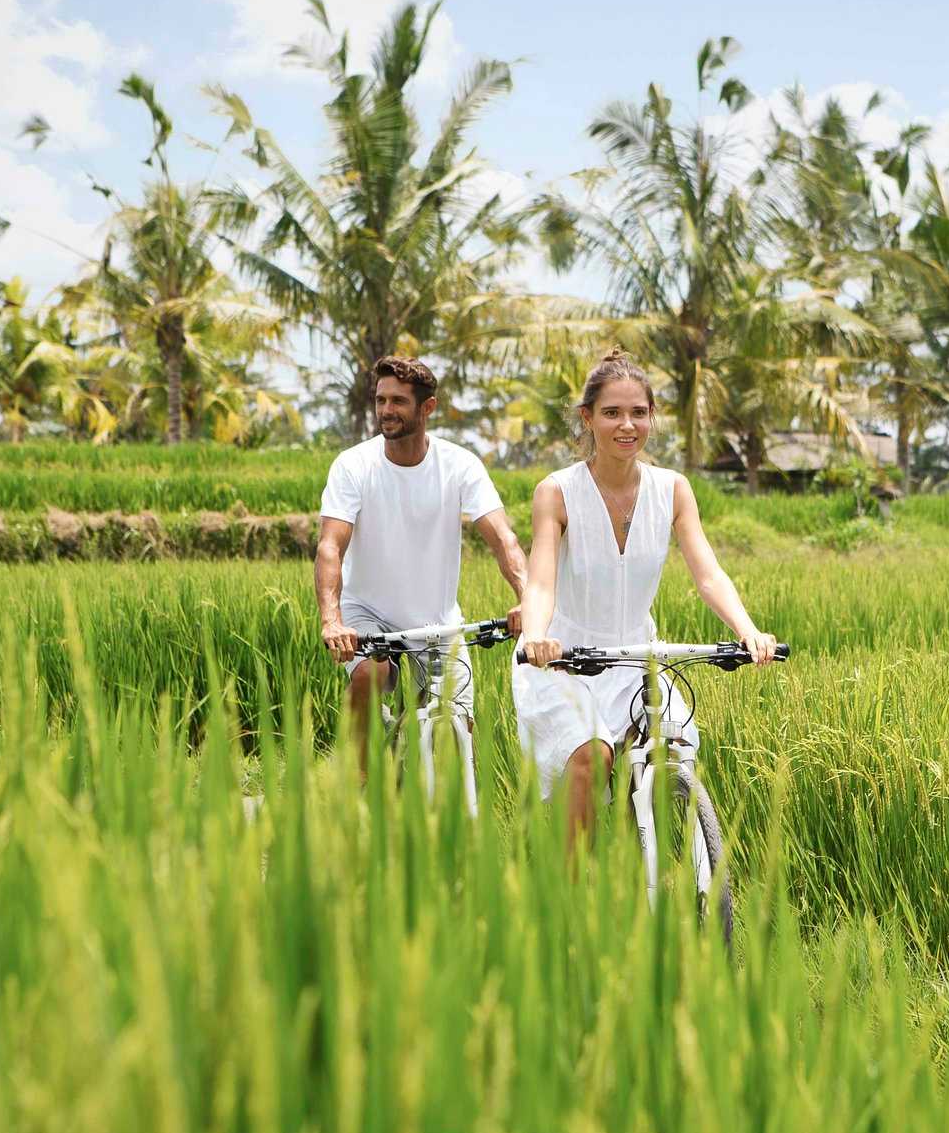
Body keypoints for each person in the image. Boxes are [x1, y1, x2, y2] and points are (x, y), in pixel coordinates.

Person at [514, 348, 777, 838]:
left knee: (669, 750)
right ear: (587, 418)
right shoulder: (557, 492)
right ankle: (571, 898)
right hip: (564, 659)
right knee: (592, 757)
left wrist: (747, 630)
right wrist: (535, 636)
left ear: (652, 417)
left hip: (636, 656)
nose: (626, 425)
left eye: (639, 412)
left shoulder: (672, 489)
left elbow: (708, 574)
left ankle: (650, 864)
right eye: (612, 412)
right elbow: (542, 580)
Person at [316, 355, 528, 762]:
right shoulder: (354, 465)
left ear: (426, 407)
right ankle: (358, 777)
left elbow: (503, 538)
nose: (385, 411)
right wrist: (332, 620)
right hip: (366, 612)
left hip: (437, 620)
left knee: (459, 731)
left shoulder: (460, 465)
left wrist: (527, 595)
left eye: (397, 401)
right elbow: (330, 546)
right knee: (370, 672)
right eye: (380, 400)